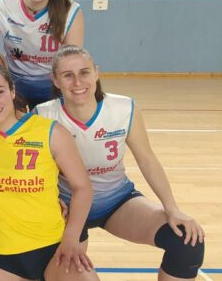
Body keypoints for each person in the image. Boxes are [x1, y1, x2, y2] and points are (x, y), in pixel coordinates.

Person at [35, 45, 205, 280]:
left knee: (187, 241)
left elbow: (147, 159)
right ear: (55, 80)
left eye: (84, 72)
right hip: (66, 209)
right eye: (68, 75)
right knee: (71, 270)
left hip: (116, 201)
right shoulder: (42, 116)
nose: (77, 82)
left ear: (96, 72)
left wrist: (172, 208)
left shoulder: (123, 108)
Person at [0, 62, 96, 281]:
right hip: (4, 256)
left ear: (12, 91)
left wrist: (71, 238)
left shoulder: (50, 132)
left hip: (53, 247)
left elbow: (82, 187)